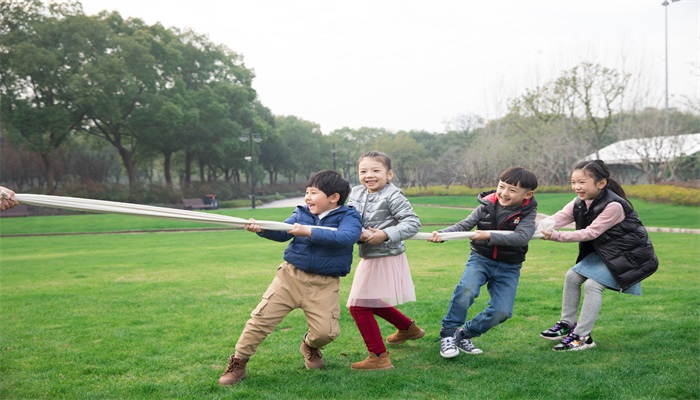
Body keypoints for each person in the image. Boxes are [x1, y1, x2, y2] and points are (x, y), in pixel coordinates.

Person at [218, 170, 362, 386]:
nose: (307, 197)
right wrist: (261, 229)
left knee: (327, 333)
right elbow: (282, 232)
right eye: (307, 192)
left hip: (324, 284)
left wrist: (309, 232)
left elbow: (346, 237)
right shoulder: (301, 213)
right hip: (290, 277)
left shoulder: (349, 216)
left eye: (314, 193)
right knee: (260, 320)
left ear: (334, 197)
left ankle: (310, 346)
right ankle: (238, 362)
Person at [538, 160, 658, 351]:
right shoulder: (580, 202)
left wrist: (556, 236)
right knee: (572, 276)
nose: (576, 187)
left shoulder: (614, 206)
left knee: (593, 285)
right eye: (573, 182)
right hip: (607, 253)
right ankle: (567, 324)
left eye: (582, 182)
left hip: (629, 256)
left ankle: (582, 337)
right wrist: (534, 227)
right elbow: (559, 217)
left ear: (601, 183)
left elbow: (591, 233)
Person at [428, 167, 538, 359]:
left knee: (502, 311)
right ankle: (448, 332)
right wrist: (441, 235)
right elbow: (464, 225)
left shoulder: (528, 212)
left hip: (509, 267)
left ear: (527, 194)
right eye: (502, 186)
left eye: (512, 190)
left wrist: (488, 235)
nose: (504, 193)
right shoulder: (486, 206)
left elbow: (521, 237)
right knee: (466, 290)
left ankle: (463, 335)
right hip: (481, 259)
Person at [345, 151, 424, 370]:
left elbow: (413, 223)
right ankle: (408, 328)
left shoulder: (393, 195)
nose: (369, 175)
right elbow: (349, 217)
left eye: (375, 170)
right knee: (370, 301)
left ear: (389, 174)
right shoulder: (356, 192)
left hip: (386, 255)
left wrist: (385, 234)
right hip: (369, 254)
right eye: (363, 171)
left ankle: (378, 357)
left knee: (358, 306)